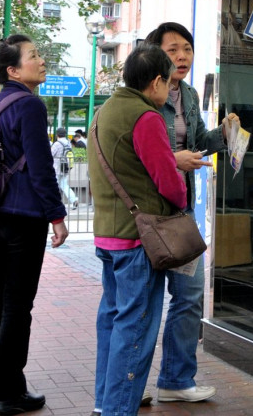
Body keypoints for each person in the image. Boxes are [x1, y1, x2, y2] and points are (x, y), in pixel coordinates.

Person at [88, 43, 187, 416]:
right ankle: (117, 410)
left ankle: (105, 403)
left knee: (112, 322)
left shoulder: (105, 111)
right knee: (136, 328)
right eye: (169, 82)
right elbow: (169, 181)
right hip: (138, 240)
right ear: (158, 81)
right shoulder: (145, 117)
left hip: (109, 235)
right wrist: (180, 199)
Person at [144, 22, 239, 403]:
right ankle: (125, 385)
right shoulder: (142, 96)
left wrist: (225, 132)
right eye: (172, 50)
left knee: (189, 295)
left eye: (186, 48)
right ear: (154, 54)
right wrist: (172, 158)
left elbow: (197, 145)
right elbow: (137, 152)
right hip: (148, 215)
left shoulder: (188, 94)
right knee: (143, 303)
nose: (182, 56)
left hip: (181, 214)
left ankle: (176, 380)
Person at [0, 35, 69, 414]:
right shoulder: (30, 105)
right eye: (34, 56)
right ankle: (9, 391)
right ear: (13, 70)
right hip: (22, 219)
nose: (42, 61)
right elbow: (40, 166)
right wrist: (57, 216)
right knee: (17, 305)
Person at [50, 127, 78, 209]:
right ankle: (74, 200)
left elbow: (50, 155)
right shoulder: (68, 143)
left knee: (54, 186)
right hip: (65, 167)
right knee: (64, 185)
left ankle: (54, 204)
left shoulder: (57, 144)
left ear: (57, 135)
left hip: (56, 168)